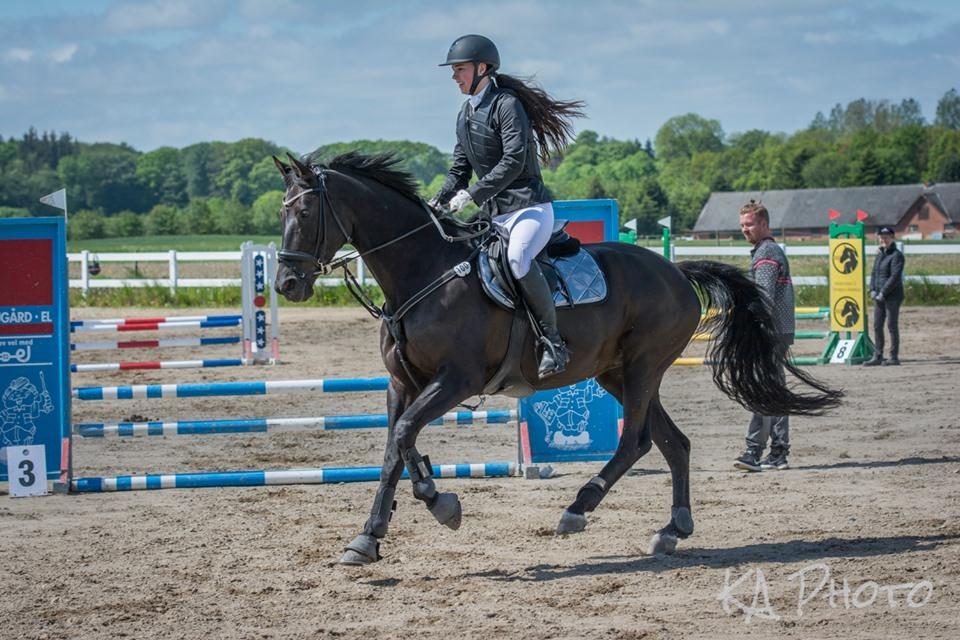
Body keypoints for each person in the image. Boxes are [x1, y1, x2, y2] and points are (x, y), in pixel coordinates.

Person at [430, 34, 584, 379]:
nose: (455, 76)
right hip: (494, 215)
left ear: (482, 68)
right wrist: (438, 199)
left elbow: (515, 159)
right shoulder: (465, 112)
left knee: (517, 258)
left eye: (460, 69)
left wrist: (473, 194)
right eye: (454, 70)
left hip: (528, 209)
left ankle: (552, 342)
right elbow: (459, 169)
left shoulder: (506, 104)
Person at [733, 200, 795, 472]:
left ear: (764, 224)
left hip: (769, 331)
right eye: (742, 225)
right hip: (780, 330)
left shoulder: (766, 253)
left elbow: (764, 298)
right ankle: (778, 452)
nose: (745, 229)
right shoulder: (767, 250)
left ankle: (753, 451)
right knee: (775, 390)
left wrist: (747, 324)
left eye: (750, 224)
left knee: (763, 390)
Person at [863, 226, 905, 366]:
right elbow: (874, 273)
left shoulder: (897, 255)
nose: (883, 239)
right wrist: (872, 289)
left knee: (891, 325)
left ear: (892, 238)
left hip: (892, 296)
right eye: (881, 237)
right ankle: (878, 355)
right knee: (877, 325)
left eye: (886, 237)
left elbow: (894, 277)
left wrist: (883, 292)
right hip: (879, 295)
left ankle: (893, 356)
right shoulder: (880, 254)